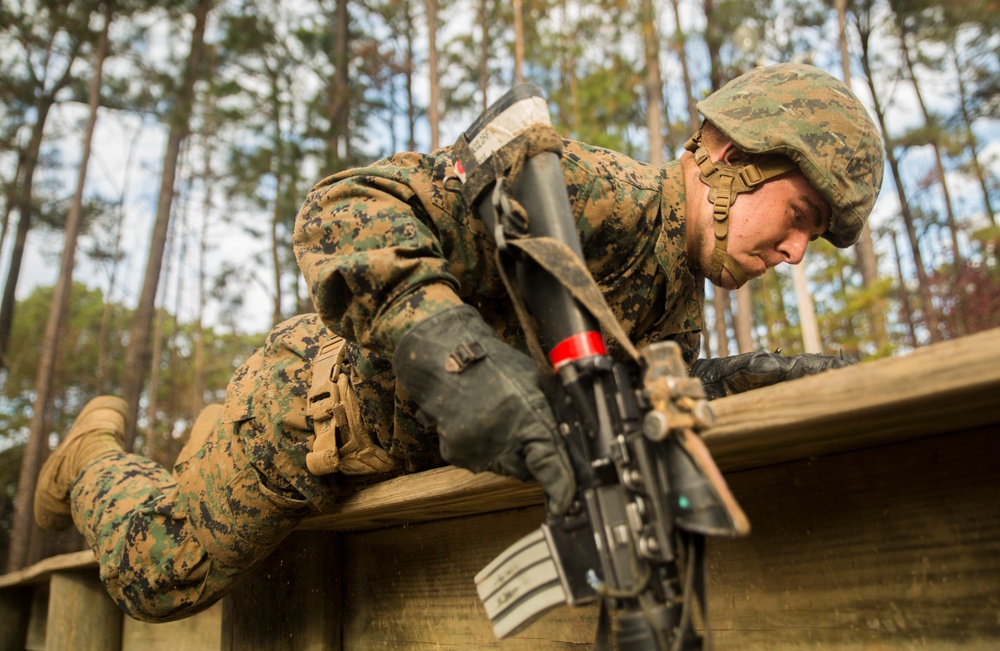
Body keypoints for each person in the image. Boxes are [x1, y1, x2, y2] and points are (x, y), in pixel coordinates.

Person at [34, 63, 884, 623]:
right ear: (733, 156)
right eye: (801, 216)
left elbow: (616, 387)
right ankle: (91, 455)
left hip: (407, 459)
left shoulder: (676, 293)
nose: (796, 253)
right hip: (314, 415)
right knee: (159, 572)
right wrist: (457, 356)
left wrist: (733, 382)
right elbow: (346, 209)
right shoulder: (592, 196)